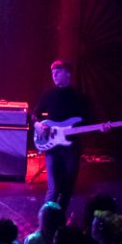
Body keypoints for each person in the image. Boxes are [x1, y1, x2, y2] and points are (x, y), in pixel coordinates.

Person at [33, 60, 104, 213]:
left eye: (58, 72)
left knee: (67, 188)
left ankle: (59, 222)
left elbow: (91, 120)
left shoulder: (80, 97)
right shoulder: (49, 95)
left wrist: (101, 128)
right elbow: (34, 115)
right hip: (51, 147)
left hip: (72, 148)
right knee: (53, 189)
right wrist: (37, 125)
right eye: (53, 73)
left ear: (68, 74)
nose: (54, 75)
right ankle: (45, 221)